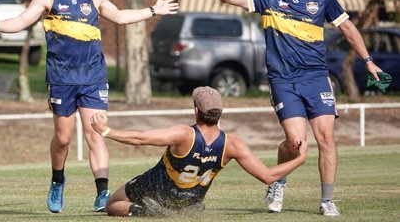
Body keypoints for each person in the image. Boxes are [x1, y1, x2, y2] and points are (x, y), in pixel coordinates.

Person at [0, 0, 179, 214]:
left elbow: (119, 15)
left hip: (93, 77)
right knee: (64, 138)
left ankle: (102, 192)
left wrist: (152, 10)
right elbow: (21, 21)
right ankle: (57, 180)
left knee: (96, 134)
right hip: (61, 79)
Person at [197, 0, 383, 216]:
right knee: (296, 144)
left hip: (317, 78)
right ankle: (278, 182)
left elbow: (347, 27)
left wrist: (367, 60)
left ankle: (327, 200)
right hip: (283, 81)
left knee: (326, 138)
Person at [90, 86, 308, 217]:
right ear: (220, 113)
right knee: (188, 199)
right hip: (191, 199)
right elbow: (268, 176)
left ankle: (145, 211)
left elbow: (140, 138)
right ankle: (182, 209)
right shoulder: (232, 144)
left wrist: (106, 131)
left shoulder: (185, 134)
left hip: (156, 190)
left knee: (113, 204)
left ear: (196, 110)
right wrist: (300, 159)